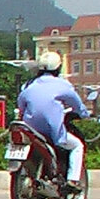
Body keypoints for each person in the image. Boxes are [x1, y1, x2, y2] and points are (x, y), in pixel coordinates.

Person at [16, 51, 90, 191]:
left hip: (30, 129)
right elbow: (77, 104)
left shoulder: (29, 85)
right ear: (58, 68)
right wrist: (84, 114)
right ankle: (73, 181)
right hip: (51, 130)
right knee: (77, 146)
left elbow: (21, 104)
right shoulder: (63, 85)